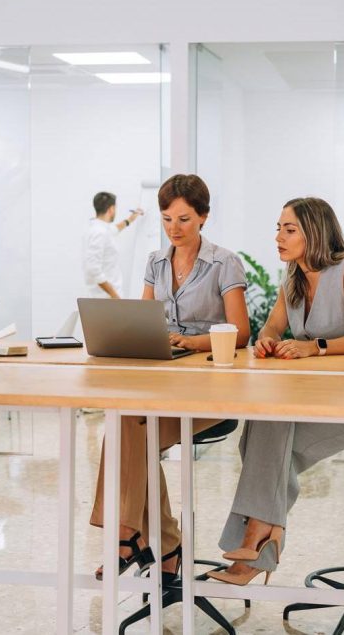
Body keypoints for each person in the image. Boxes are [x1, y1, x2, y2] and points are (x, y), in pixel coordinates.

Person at [207, 197, 344, 586]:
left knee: (268, 439)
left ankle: (258, 539)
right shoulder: (292, 278)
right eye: (278, 228)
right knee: (267, 424)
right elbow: (271, 327)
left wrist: (315, 346)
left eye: (289, 229)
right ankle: (261, 540)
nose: (279, 237)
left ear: (315, 232)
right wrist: (266, 342)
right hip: (319, 398)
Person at [89, 174, 250, 580]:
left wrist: (192, 343)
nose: (173, 230)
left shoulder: (224, 262)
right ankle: (164, 545)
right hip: (164, 380)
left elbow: (242, 332)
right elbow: (145, 319)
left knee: (131, 432)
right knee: (122, 421)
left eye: (183, 220)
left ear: (203, 218)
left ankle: (130, 536)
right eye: (166, 219)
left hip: (213, 390)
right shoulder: (155, 262)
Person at [82, 191, 143, 298]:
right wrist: (115, 296)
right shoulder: (99, 233)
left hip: (107, 298)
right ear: (111, 209)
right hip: (106, 299)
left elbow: (114, 229)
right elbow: (93, 269)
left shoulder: (100, 228)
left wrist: (130, 219)